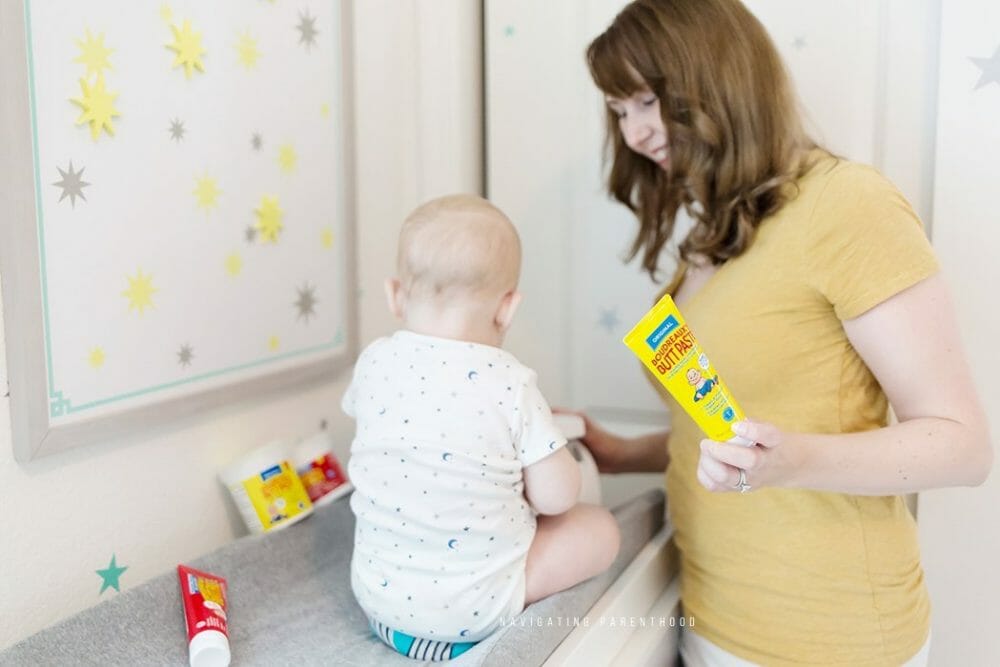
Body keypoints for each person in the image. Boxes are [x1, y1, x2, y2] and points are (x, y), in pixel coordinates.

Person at [579, 1, 992, 665]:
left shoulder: (844, 203)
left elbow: (963, 445)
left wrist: (793, 460)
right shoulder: (712, 237)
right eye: (618, 110)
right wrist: (621, 452)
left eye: (645, 101)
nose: (632, 132)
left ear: (712, 79)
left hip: (828, 637)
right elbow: (735, 432)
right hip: (711, 614)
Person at [342, 194, 620, 661]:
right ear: (508, 307)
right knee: (601, 530)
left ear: (394, 294)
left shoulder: (373, 363)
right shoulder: (510, 383)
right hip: (471, 613)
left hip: (379, 599)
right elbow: (557, 499)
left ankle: (412, 629)